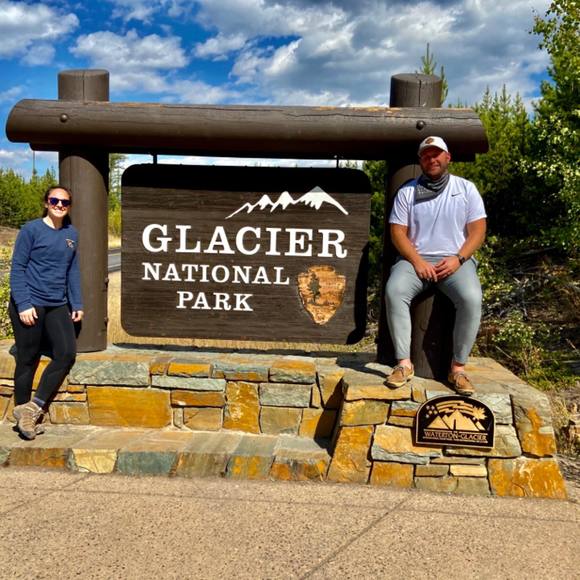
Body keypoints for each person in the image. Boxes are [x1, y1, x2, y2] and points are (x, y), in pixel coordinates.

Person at [385, 136, 486, 395]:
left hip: (455, 261)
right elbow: (397, 232)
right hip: (415, 260)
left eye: (436, 154)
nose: (432, 159)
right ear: (420, 160)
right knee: (394, 291)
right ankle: (403, 364)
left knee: (472, 298)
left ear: (447, 157)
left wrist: (458, 259)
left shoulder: (466, 189)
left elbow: (478, 231)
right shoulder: (407, 191)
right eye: (426, 155)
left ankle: (458, 369)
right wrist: (417, 261)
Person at [9, 185, 83, 439]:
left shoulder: (71, 234)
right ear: (46, 203)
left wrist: (77, 303)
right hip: (31, 303)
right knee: (28, 357)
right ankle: (23, 417)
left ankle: (32, 408)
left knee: (66, 353)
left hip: (57, 304)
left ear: (69, 206)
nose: (60, 205)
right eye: (55, 200)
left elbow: (72, 271)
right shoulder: (31, 230)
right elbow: (18, 268)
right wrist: (23, 304)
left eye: (65, 202)